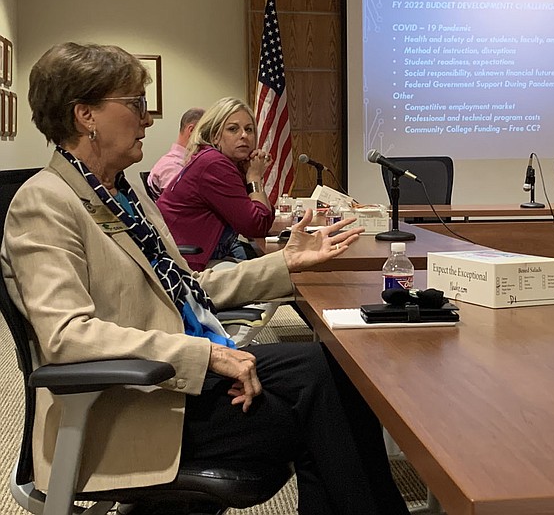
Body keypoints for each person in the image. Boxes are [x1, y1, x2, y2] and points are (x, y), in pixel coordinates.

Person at [0, 42, 409, 515]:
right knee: (319, 406)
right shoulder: (45, 202)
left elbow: (185, 288)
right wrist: (207, 354)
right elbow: (67, 337)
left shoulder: (120, 191)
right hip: (128, 404)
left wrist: (285, 262)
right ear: (85, 115)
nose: (148, 119)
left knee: (332, 367)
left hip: (172, 379)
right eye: (134, 104)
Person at [156, 97, 275, 270]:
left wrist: (250, 174)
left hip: (205, 255)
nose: (244, 135)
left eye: (249, 129)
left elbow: (263, 217)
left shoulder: (219, 161)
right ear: (215, 136)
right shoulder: (214, 164)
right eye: (233, 129)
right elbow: (257, 226)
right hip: (187, 264)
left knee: (272, 271)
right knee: (279, 279)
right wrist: (255, 177)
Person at [146, 106, 204, 197]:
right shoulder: (172, 167)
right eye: (208, 133)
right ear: (192, 131)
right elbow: (182, 207)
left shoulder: (186, 163)